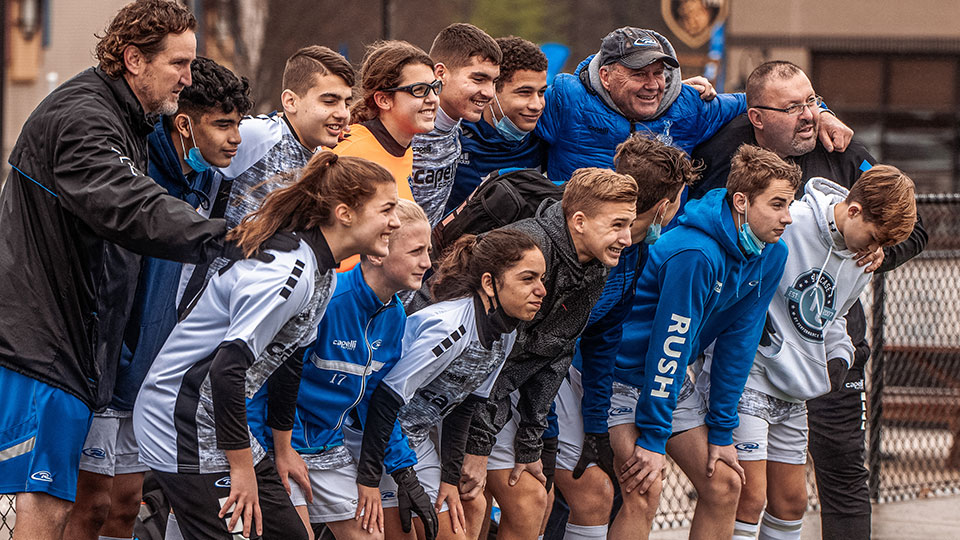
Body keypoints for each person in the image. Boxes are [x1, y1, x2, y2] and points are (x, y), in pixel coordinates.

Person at [0, 3, 260, 538]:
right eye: (179, 64)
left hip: (70, 339)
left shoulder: (125, 117)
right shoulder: (85, 117)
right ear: (134, 59)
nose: (188, 78)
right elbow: (133, 206)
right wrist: (228, 236)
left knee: (67, 503)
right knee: (46, 502)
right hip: (41, 342)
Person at [690, 60, 929, 540]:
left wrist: (878, 254)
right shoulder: (723, 152)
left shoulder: (837, 146)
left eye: (813, 101)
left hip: (823, 350)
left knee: (838, 472)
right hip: (753, 360)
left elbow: (908, 224)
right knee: (744, 490)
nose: (810, 115)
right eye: (793, 106)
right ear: (757, 117)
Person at [133, 151, 401, 540]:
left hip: (217, 422)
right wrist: (242, 470)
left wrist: (282, 448)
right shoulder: (286, 272)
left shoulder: (321, 270)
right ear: (344, 213)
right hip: (180, 420)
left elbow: (287, 363)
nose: (395, 221)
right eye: (387, 209)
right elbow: (227, 368)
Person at [63, 56, 253, 540]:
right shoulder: (137, 170)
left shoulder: (205, 180)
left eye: (239, 124)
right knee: (91, 504)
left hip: (149, 366)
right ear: (185, 124)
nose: (235, 137)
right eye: (224, 125)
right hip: (102, 363)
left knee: (128, 504)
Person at [610, 145, 800, 540]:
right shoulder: (696, 252)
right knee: (645, 487)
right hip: (621, 377)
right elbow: (670, 346)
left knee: (726, 482)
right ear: (742, 201)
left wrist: (722, 432)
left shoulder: (771, 253)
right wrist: (653, 438)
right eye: (778, 204)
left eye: (790, 204)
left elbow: (740, 342)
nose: (788, 217)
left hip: (668, 380)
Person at [730, 168, 916, 540]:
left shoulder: (862, 259)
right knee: (749, 496)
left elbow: (836, 316)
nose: (873, 250)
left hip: (795, 390)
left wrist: (839, 358)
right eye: (874, 237)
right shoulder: (791, 223)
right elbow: (740, 275)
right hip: (750, 377)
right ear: (854, 211)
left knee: (791, 502)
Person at [460, 168, 639, 540]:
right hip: (454, 391)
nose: (627, 238)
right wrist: (476, 445)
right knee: (470, 507)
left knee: (531, 499)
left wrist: (530, 445)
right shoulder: (529, 248)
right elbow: (487, 359)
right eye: (618, 225)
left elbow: (555, 354)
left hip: (499, 392)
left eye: (630, 224)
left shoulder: (594, 261)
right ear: (579, 221)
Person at [245, 199, 431, 540]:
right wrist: (258, 456)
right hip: (277, 442)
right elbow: (258, 383)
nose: (427, 263)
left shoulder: (394, 316)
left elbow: (374, 400)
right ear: (376, 253)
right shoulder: (329, 300)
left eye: (428, 250)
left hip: (328, 444)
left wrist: (403, 471)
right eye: (416, 251)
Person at [549, 135, 699, 540]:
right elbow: (535, 345)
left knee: (596, 494)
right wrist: (542, 429)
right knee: (540, 497)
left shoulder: (633, 251)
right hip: (527, 384)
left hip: (570, 381)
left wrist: (596, 428)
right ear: (667, 206)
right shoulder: (573, 250)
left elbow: (603, 338)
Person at [357, 229, 547, 540]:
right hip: (373, 438)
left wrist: (448, 478)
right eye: (528, 279)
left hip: (416, 441)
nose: (541, 290)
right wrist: (397, 477)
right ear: (489, 283)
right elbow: (383, 400)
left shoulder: (506, 332)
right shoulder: (449, 327)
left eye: (542, 279)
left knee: (455, 529)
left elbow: (466, 406)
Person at [534, 27, 852, 184]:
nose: (653, 84)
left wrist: (820, 113)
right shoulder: (566, 98)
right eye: (639, 74)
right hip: (580, 256)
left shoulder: (688, 104)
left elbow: (762, 101)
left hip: (654, 266)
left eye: (659, 73)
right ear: (605, 75)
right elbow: (509, 114)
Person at [182, 45, 356, 293]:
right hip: (206, 299)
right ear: (290, 101)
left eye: (346, 103)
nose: (342, 113)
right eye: (329, 101)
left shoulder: (321, 159)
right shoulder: (257, 135)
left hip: (261, 302)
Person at [334, 40, 438, 271]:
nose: (432, 99)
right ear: (383, 100)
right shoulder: (351, 153)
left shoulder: (406, 146)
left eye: (434, 88)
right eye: (419, 90)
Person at [409, 23, 502, 225]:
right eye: (479, 79)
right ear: (440, 73)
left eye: (494, 82)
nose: (489, 93)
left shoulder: (457, 126)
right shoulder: (406, 127)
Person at [446, 36, 548, 212]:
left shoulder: (546, 136)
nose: (536, 105)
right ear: (491, 91)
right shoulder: (454, 138)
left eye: (541, 93)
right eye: (524, 93)